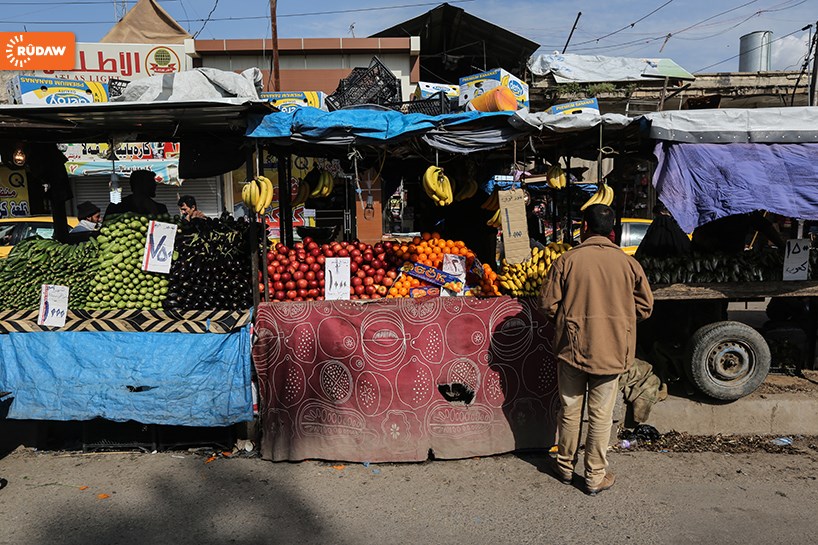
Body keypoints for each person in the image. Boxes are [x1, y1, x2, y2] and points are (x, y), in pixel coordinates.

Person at [540, 204, 654, 496]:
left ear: (584, 228)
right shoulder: (629, 264)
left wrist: (570, 320)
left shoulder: (567, 260)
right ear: (613, 232)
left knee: (570, 409)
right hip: (613, 349)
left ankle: (565, 467)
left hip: (572, 348)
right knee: (601, 415)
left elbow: (547, 305)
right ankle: (595, 476)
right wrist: (622, 322)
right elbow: (645, 307)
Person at [105, 170, 169, 217]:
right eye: (151, 182)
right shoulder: (117, 207)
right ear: (139, 185)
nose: (155, 185)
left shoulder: (161, 209)